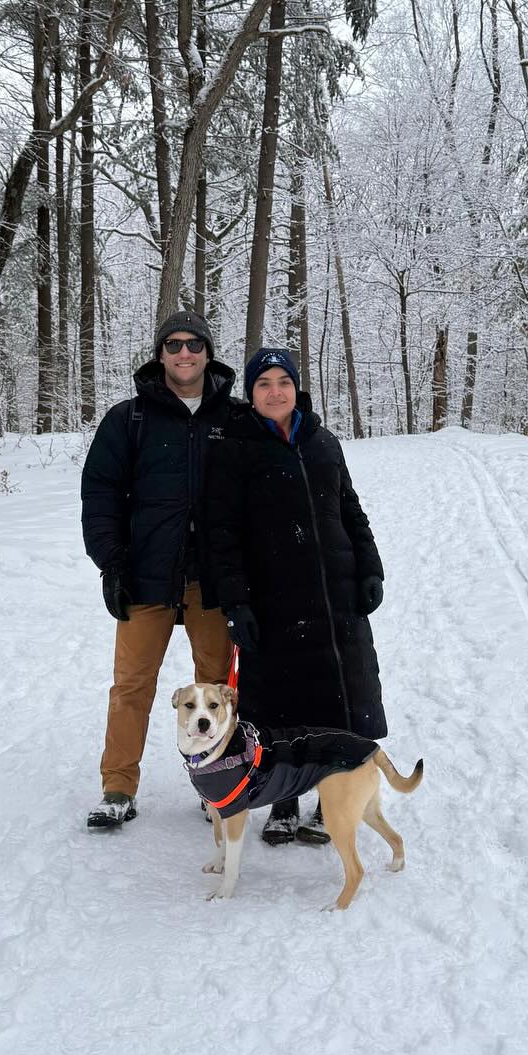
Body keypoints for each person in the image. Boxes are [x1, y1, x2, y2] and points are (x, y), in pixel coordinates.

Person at [203, 346, 386, 846]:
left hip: (333, 595)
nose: (275, 391)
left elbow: (350, 508)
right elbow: (222, 533)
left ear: (296, 387)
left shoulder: (323, 441)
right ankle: (283, 800)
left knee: (337, 699)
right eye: (264, 384)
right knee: (277, 701)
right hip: (272, 597)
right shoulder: (234, 448)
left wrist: (371, 568)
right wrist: (236, 603)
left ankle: (332, 800)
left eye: (283, 381)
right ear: (251, 393)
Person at [79, 310, 235, 830]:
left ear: (208, 353)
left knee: (217, 685)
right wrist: (111, 564)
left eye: (194, 344)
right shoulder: (129, 419)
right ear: (160, 354)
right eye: (173, 345)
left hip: (212, 581)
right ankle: (118, 787)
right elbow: (100, 494)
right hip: (146, 574)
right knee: (131, 685)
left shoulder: (234, 418)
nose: (184, 353)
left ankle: (217, 784)